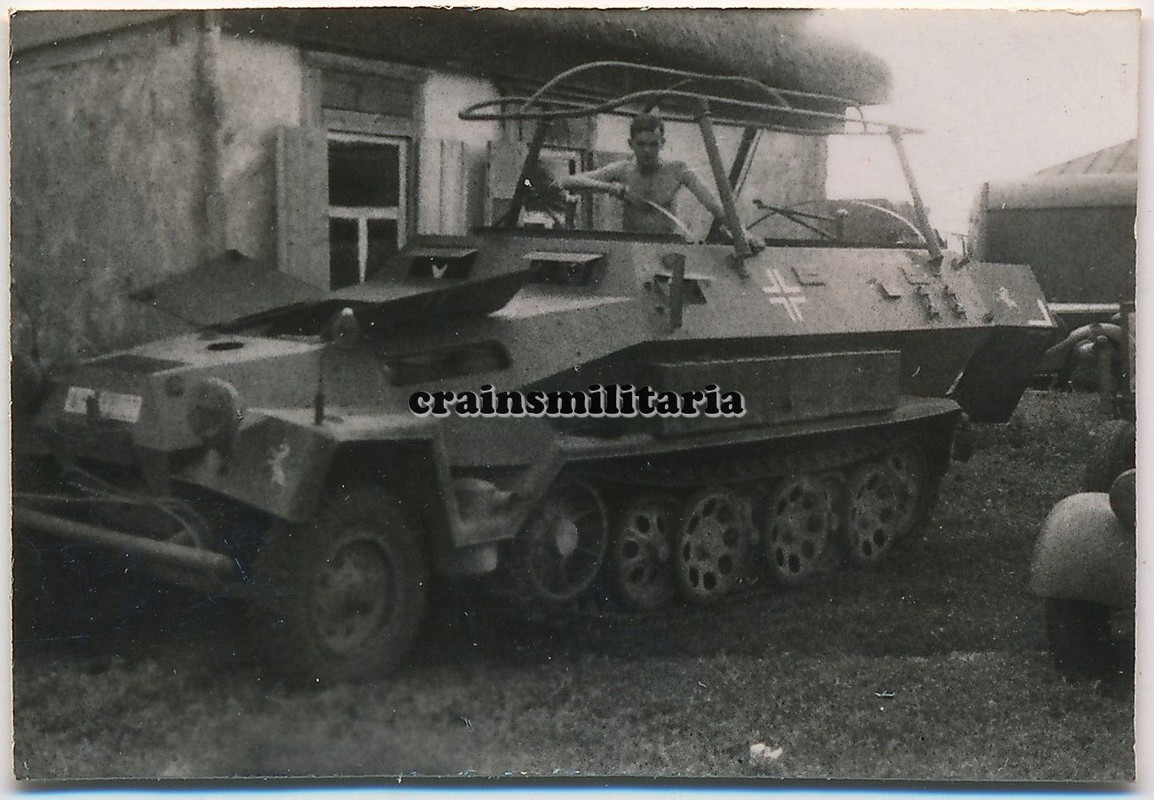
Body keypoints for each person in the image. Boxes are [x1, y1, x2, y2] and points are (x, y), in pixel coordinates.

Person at [560, 112, 764, 250]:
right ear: (631, 144)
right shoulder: (622, 170)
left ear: (662, 143)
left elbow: (716, 206)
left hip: (668, 247)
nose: (647, 150)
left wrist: (743, 233)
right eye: (641, 144)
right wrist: (610, 188)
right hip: (631, 248)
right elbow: (569, 182)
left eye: (653, 144)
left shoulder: (677, 171)